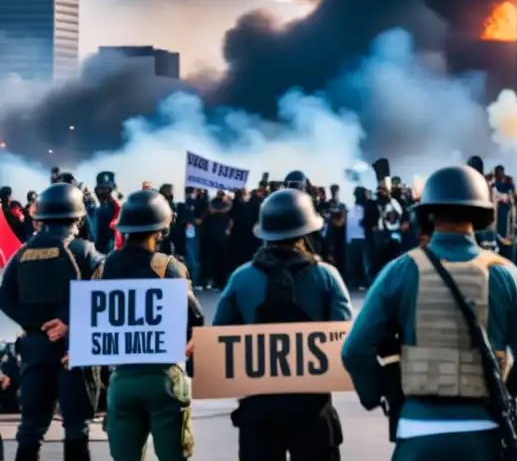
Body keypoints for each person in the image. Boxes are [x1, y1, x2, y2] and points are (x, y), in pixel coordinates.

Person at [342, 165, 517, 461]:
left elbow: (354, 351)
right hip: (487, 431)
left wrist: (378, 394)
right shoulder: (507, 274)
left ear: (428, 213)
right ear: (483, 212)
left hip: (417, 430)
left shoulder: (400, 270)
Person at [213, 187, 351, 460]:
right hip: (313, 404)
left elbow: (217, 342)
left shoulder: (241, 277)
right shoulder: (327, 276)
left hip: (258, 405)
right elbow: (346, 340)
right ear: (306, 231)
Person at [97, 189, 205, 461]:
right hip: (164, 377)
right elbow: (194, 315)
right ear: (162, 229)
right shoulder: (169, 267)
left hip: (121, 379)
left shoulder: (103, 268)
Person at [0, 183, 105, 461]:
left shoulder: (22, 255)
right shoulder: (86, 252)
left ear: (40, 217)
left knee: (31, 428)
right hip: (76, 349)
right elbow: (105, 297)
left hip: (35, 348)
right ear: (78, 218)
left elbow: (5, 297)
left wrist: (37, 325)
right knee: (77, 427)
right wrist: (69, 322)